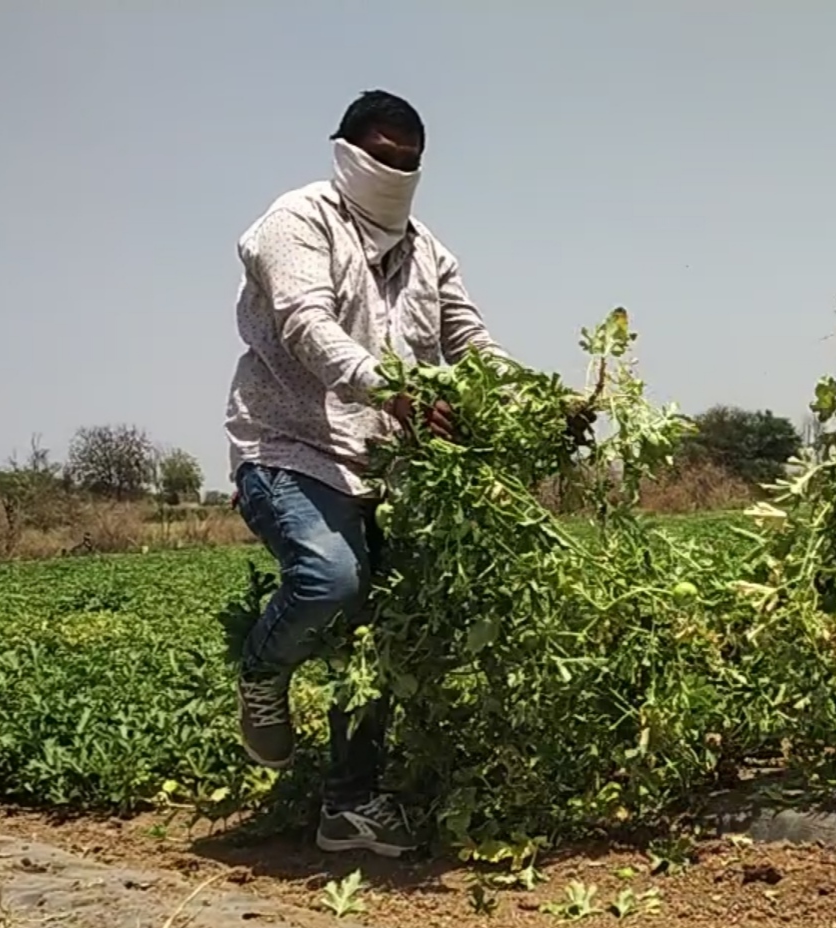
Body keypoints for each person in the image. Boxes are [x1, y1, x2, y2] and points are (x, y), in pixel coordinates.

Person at [223, 89, 592, 856]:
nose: (396, 171)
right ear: (346, 152)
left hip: (391, 468)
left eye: (409, 162)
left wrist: (541, 402)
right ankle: (261, 676)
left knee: (390, 635)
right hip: (289, 446)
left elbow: (471, 343)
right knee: (331, 579)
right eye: (382, 157)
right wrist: (398, 392)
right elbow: (305, 324)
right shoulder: (299, 221)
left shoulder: (428, 253)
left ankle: (349, 804)